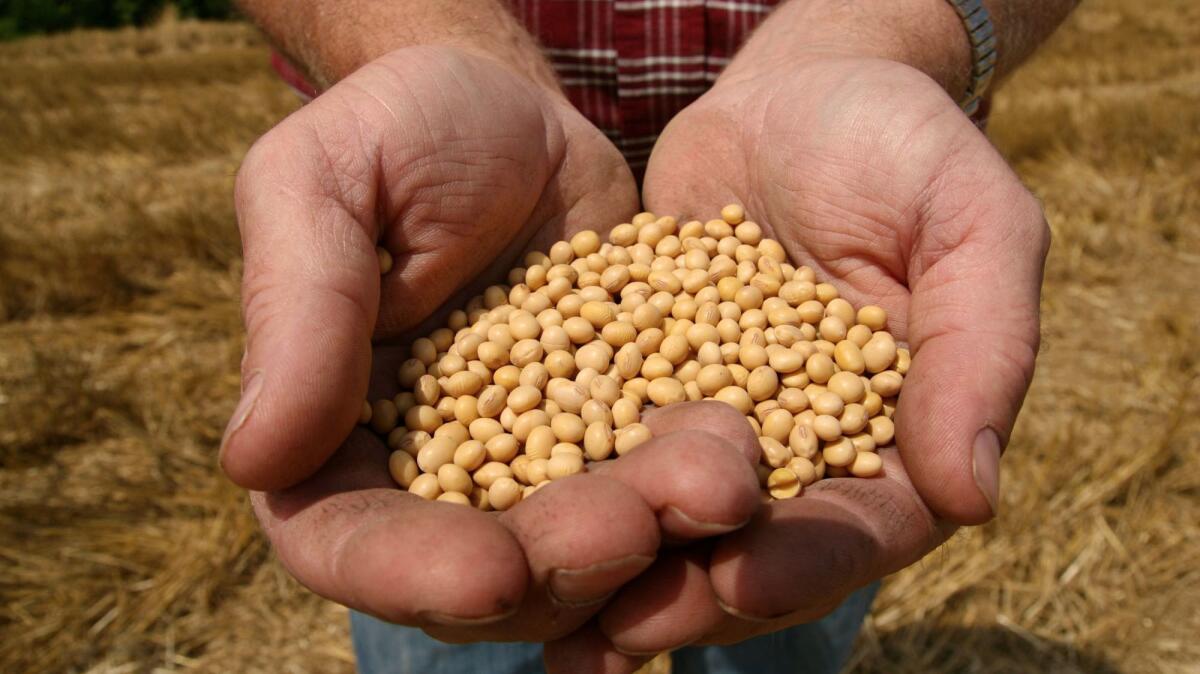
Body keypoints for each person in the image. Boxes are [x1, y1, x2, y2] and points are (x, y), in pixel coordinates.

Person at [220, 1, 1077, 672]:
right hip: (452, 235)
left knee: (777, 618)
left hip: (833, 229)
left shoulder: (804, 340)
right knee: (461, 604)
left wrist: (885, 32)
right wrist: (407, 36)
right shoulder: (505, 368)